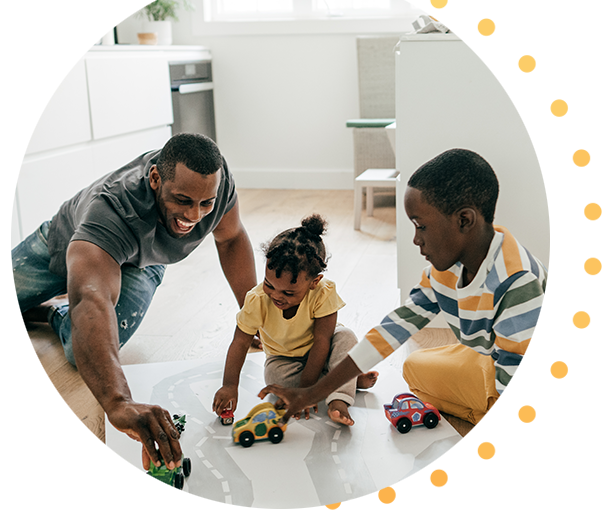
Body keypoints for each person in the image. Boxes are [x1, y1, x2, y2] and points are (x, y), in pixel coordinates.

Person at [12, 132, 257, 470]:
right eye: (183, 200)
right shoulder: (112, 208)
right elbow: (90, 298)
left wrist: (254, 315)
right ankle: (55, 293)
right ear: (155, 178)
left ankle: (52, 313)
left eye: (206, 204)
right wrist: (118, 401)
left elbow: (230, 239)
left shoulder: (217, 181)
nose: (195, 215)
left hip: (143, 260)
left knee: (79, 350)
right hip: (67, 244)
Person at [260, 149, 548, 426]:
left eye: (420, 226)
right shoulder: (445, 271)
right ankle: (482, 403)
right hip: (492, 357)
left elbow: (517, 371)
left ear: (464, 220)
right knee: (414, 366)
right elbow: (392, 330)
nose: (415, 239)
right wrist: (313, 393)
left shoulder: (517, 281)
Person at [213, 214, 378, 426]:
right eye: (269, 284)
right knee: (273, 377)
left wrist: (305, 392)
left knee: (346, 336)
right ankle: (347, 379)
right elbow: (240, 342)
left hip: (323, 351)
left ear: (314, 281)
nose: (276, 296)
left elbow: (322, 342)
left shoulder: (323, 292)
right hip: (285, 359)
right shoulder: (257, 299)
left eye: (289, 293)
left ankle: (339, 398)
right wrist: (229, 385)